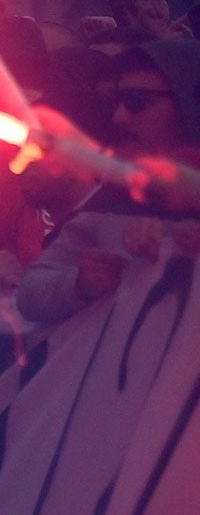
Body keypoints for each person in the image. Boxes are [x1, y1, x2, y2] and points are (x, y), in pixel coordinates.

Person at [18, 39, 200, 325]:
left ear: (186, 101)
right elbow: (30, 294)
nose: (120, 117)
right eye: (116, 103)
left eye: (136, 101)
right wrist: (79, 282)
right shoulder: (113, 199)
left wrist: (175, 241)